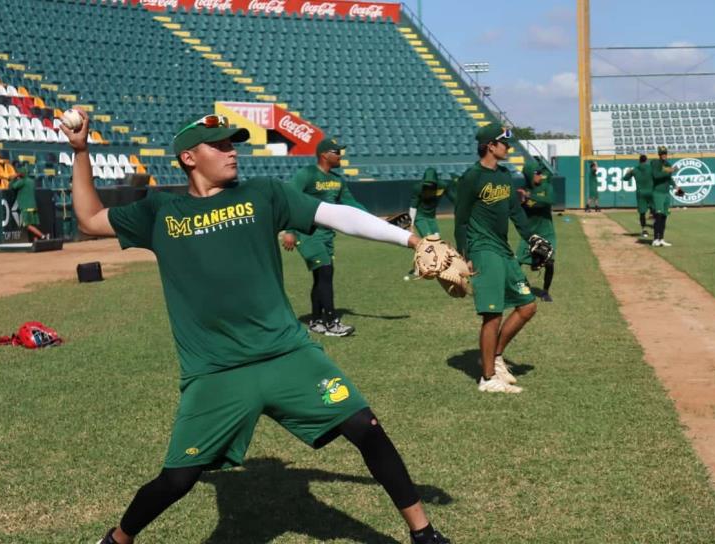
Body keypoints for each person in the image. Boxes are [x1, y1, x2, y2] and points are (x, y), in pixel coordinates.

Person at [60, 110, 450, 544]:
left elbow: (337, 215)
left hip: (287, 356)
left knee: (366, 428)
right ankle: (117, 539)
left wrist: (412, 240)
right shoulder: (160, 211)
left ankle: (424, 534)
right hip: (216, 373)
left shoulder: (264, 194)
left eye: (234, 144)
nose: (232, 152)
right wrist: (80, 152)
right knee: (177, 480)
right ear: (189, 157)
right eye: (221, 145)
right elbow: (89, 220)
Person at [455, 123, 540, 394]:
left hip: (503, 249)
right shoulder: (471, 177)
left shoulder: (505, 175)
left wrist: (533, 239)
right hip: (482, 249)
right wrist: (464, 255)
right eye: (504, 143)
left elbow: (516, 213)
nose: (508, 147)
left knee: (527, 306)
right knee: (492, 314)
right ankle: (488, 377)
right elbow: (461, 220)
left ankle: (497, 356)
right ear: (490, 146)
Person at [281, 138, 363, 337]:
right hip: (308, 234)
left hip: (326, 236)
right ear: (324, 154)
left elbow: (352, 204)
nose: (340, 155)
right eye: (337, 152)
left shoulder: (338, 180)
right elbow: (289, 199)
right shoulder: (307, 174)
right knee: (326, 274)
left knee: (321, 277)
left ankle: (316, 321)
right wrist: (289, 230)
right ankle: (332, 323)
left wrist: (378, 221)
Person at [516, 160, 556, 302]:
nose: (540, 175)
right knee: (517, 263)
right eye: (536, 173)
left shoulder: (546, 187)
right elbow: (520, 208)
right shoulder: (521, 191)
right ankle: (522, 288)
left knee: (550, 263)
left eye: (540, 172)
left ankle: (545, 292)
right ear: (528, 175)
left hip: (547, 232)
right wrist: (523, 199)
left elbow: (549, 200)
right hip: (529, 235)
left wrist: (529, 197)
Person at [409, 167, 453, 238]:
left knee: (437, 238)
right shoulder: (418, 188)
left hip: (431, 217)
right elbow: (413, 207)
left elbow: (454, 199)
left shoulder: (442, 186)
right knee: (429, 238)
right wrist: (411, 225)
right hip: (420, 217)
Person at [649, 146, 679, 247]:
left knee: (664, 216)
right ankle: (655, 239)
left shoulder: (668, 164)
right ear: (659, 154)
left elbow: (669, 179)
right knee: (658, 215)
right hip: (657, 192)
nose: (664, 155)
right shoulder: (655, 163)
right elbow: (656, 175)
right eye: (662, 153)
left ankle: (661, 238)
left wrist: (675, 186)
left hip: (666, 193)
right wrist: (668, 171)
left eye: (665, 153)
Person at [8, 163, 46, 241]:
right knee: (33, 225)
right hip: (34, 207)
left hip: (26, 207)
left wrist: (14, 178)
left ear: (20, 174)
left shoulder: (22, 181)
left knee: (27, 225)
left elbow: (12, 187)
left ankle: (43, 236)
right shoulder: (31, 181)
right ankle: (36, 241)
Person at [623, 154, 653, 239]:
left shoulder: (634, 169)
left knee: (642, 213)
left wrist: (628, 172)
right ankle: (657, 230)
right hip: (651, 192)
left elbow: (625, 179)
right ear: (646, 160)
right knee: (655, 211)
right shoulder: (651, 168)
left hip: (641, 193)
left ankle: (644, 230)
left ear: (639, 161)